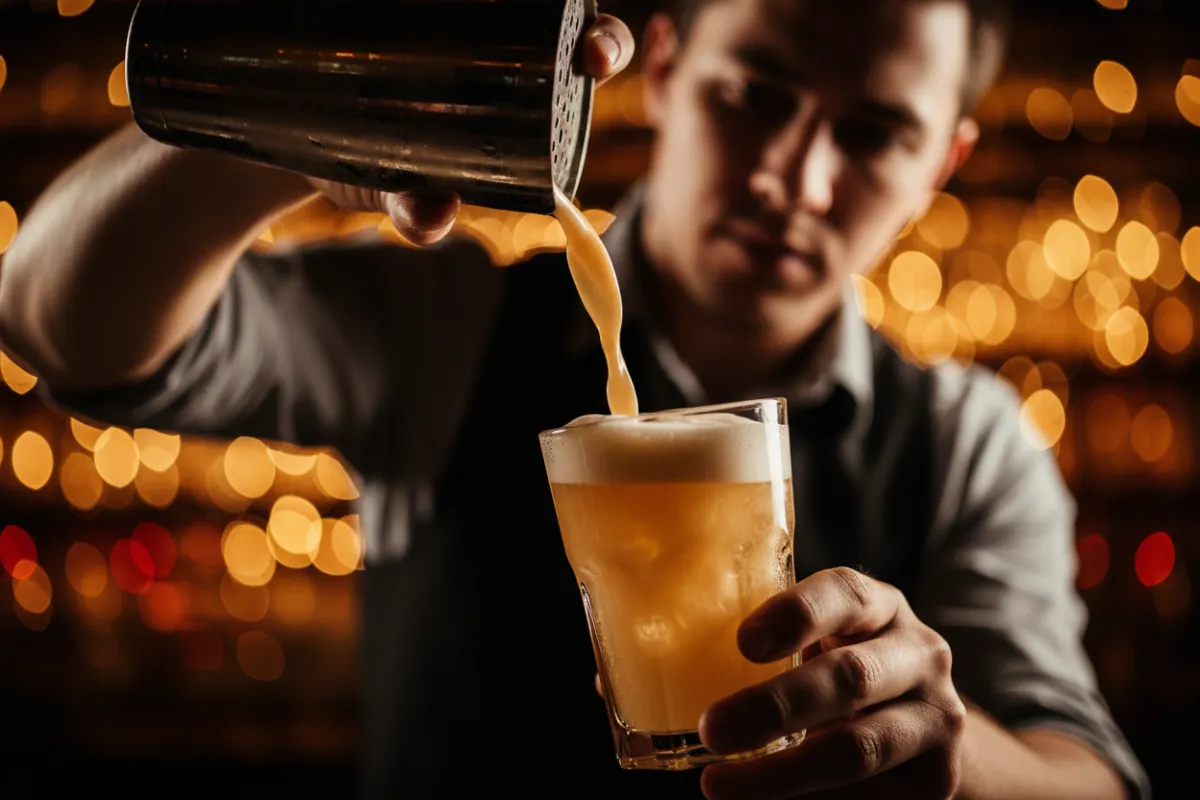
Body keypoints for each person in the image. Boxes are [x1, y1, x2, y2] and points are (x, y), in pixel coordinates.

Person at [0, 1, 1151, 798]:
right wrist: (321, 121)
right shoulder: (445, 329)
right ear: (665, 59)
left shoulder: (966, 441)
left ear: (942, 162)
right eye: (754, 93)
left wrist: (956, 754)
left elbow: (1090, 772)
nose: (792, 179)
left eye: (874, 134)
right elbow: (59, 326)